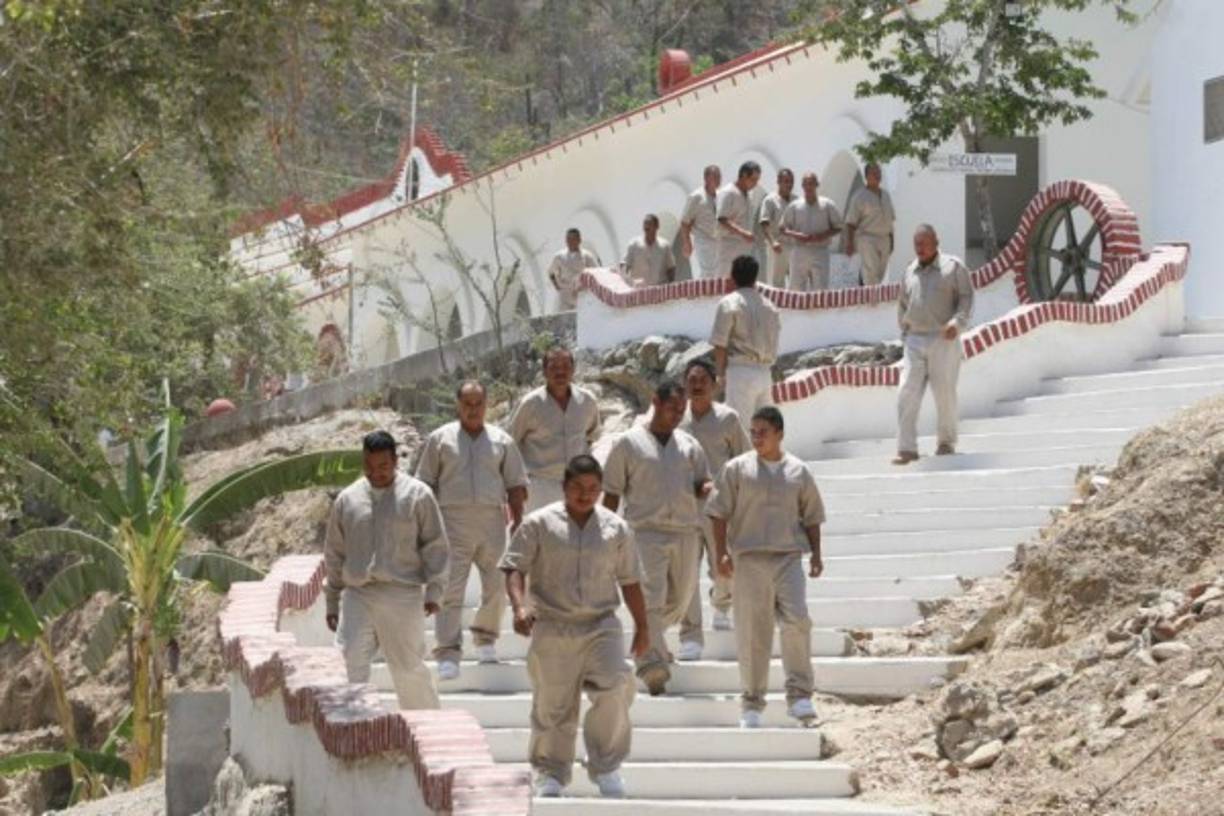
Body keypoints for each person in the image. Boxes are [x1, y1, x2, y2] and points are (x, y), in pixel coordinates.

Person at [501, 454, 649, 799]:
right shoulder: (539, 523)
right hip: (553, 624)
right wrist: (519, 606)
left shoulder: (616, 528)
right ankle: (551, 771)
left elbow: (629, 580)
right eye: (578, 488)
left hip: (601, 625)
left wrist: (643, 626)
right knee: (553, 704)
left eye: (593, 488)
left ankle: (606, 765)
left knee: (615, 685)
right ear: (564, 486)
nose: (585, 495)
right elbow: (514, 567)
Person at [707, 406, 825, 728]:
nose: (757, 438)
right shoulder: (736, 469)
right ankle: (752, 703)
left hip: (788, 557)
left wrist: (816, 554)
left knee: (797, 619)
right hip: (749, 558)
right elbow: (718, 512)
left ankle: (800, 696)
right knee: (752, 632)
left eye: (764, 432)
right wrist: (721, 554)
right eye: (754, 432)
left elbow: (812, 516)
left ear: (780, 434)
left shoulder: (799, 471)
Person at [324, 430, 448, 710]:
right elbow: (334, 552)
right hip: (359, 593)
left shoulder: (418, 495)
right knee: (348, 661)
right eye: (369, 465)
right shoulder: (348, 499)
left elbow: (436, 546)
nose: (375, 472)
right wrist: (332, 600)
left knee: (408, 669)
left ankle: (425, 730)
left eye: (383, 466)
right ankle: (350, 728)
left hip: (401, 594)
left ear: (395, 461)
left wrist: (435, 590)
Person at [602, 380, 711, 695]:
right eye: (672, 407)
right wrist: (607, 535)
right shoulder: (628, 444)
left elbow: (701, 481)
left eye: (682, 409)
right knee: (650, 597)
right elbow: (612, 493)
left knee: (679, 600)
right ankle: (649, 663)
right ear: (655, 401)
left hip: (686, 532)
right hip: (644, 532)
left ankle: (653, 640)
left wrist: (708, 488)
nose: (677, 414)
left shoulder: (689, 445)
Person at [416, 380, 529, 679]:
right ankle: (448, 652)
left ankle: (485, 639)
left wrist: (518, 521)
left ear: (486, 404)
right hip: (451, 522)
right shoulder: (440, 440)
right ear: (458, 405)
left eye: (479, 403)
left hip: (492, 522)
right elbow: (425, 485)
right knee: (450, 589)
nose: (473, 409)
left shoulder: (502, 441)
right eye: (467, 403)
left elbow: (516, 484)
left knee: (495, 586)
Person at [676, 359, 751, 660]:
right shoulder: (675, 420)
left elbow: (744, 461)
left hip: (720, 509)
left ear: (715, 384)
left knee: (724, 567)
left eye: (703, 379)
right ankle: (690, 635)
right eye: (691, 380)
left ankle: (722, 605)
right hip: (683, 509)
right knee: (686, 574)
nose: (697, 385)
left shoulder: (728, 419)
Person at [894, 224, 974, 465]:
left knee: (944, 393)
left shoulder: (954, 266)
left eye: (924, 243)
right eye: (916, 243)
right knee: (906, 391)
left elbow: (966, 298)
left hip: (943, 339)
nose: (919, 248)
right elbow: (902, 303)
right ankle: (906, 449)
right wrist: (904, 329)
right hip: (914, 340)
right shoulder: (909, 270)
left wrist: (957, 324)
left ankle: (946, 443)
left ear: (936, 242)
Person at [508, 346, 603, 513]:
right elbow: (510, 443)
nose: (560, 372)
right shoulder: (531, 404)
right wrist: (516, 484)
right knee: (542, 537)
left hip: (578, 487)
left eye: (566, 366)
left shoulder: (587, 401)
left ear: (573, 369)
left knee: (577, 537)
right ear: (544, 371)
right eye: (554, 367)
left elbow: (591, 436)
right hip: (540, 488)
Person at [710, 255, 781, 429]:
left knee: (740, 432)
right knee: (765, 431)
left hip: (740, 372)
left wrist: (720, 375)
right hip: (765, 373)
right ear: (755, 277)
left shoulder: (728, 302)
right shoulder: (770, 306)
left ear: (733, 276)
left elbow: (720, 343)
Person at [782, 172, 844, 292]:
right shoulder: (794, 206)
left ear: (817, 185)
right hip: (799, 250)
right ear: (802, 186)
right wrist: (797, 235)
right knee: (796, 289)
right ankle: (797, 311)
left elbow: (839, 226)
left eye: (811, 184)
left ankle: (820, 311)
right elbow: (782, 228)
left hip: (820, 251)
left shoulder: (828, 205)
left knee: (820, 290)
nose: (808, 187)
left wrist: (823, 235)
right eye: (805, 184)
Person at [845, 162, 896, 285]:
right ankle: (870, 302)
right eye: (874, 173)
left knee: (880, 274)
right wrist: (849, 243)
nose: (878, 175)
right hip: (867, 239)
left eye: (879, 172)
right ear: (867, 176)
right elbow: (850, 222)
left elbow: (890, 219)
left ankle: (866, 294)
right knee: (870, 274)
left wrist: (892, 241)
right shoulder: (859, 196)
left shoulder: (886, 195)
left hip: (884, 239)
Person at [715, 161, 762, 279]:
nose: (755, 184)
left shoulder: (749, 195)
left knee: (741, 283)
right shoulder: (728, 192)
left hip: (744, 248)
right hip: (729, 246)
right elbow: (722, 219)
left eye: (757, 180)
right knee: (725, 281)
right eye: (753, 179)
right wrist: (742, 233)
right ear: (744, 175)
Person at [680, 165, 721, 279]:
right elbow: (685, 222)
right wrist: (686, 242)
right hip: (704, 241)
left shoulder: (720, 195)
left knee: (719, 274)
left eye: (719, 177)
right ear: (706, 179)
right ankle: (703, 296)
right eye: (715, 177)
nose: (718, 180)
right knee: (708, 273)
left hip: (718, 241)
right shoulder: (696, 197)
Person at [758, 169, 797, 288]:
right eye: (786, 181)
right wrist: (773, 242)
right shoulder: (770, 200)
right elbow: (764, 222)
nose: (789, 184)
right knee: (777, 282)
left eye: (791, 181)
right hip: (777, 246)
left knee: (796, 281)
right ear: (778, 182)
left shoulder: (797, 200)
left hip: (794, 246)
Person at [547, 227, 601, 309]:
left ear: (579, 240)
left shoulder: (587, 256)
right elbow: (551, 272)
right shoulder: (559, 256)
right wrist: (556, 285)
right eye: (568, 239)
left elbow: (596, 272)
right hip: (565, 293)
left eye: (573, 239)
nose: (570, 242)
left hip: (581, 293)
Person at [623, 213, 677, 286]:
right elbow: (626, 266)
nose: (646, 226)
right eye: (645, 224)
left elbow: (671, 267)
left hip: (659, 290)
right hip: (638, 290)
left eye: (649, 224)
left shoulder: (664, 246)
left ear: (656, 226)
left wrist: (671, 285)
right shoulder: (634, 245)